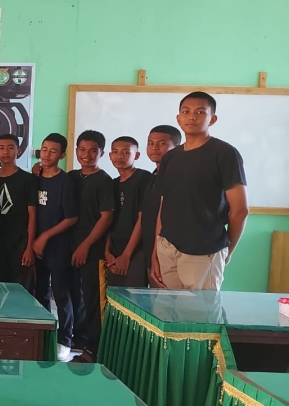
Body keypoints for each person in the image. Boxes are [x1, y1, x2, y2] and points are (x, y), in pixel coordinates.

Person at [152, 91, 248, 291]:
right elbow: (163, 206)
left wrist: (226, 250)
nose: (192, 117)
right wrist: (156, 249)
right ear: (178, 118)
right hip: (167, 247)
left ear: (212, 119)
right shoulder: (170, 157)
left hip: (204, 250)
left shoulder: (224, 153)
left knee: (199, 310)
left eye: (200, 112)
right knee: (169, 309)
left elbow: (240, 210)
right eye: (186, 111)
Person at [68, 130, 114, 362]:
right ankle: (79, 339)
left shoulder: (104, 181)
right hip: (70, 246)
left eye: (93, 151)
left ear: (101, 153)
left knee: (93, 299)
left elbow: (106, 217)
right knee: (75, 297)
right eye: (82, 150)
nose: (86, 155)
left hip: (92, 250)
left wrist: (86, 245)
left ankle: (94, 349)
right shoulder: (71, 177)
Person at [32, 133, 79, 362]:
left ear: (62, 155)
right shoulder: (35, 178)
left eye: (53, 151)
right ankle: (45, 335)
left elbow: (71, 217)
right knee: (39, 291)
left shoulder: (65, 181)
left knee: (61, 294)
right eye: (44, 149)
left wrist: (45, 236)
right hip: (35, 246)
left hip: (59, 245)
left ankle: (65, 340)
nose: (47, 154)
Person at [0, 133, 37, 290]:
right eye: (1, 148)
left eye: (10, 148)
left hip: (20, 243)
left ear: (18, 151)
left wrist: (29, 247)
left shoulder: (28, 180)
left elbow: (32, 215)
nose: (6, 152)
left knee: (20, 288)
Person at [104, 136, 153, 287]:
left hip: (137, 250)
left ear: (136, 155)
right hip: (114, 251)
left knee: (132, 295)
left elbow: (143, 218)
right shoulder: (112, 183)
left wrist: (126, 254)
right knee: (114, 296)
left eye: (126, 152)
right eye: (115, 152)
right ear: (110, 155)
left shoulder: (144, 178)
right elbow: (109, 220)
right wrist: (107, 252)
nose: (119, 156)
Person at [140, 125, 181, 287]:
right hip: (151, 248)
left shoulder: (177, 176)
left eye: (162, 143)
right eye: (150, 143)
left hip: (169, 251)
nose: (154, 148)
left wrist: (157, 253)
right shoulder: (153, 176)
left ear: (177, 147)